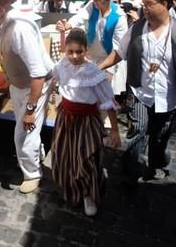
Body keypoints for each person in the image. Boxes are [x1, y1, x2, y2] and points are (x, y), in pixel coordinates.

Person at [99, 0, 176, 183]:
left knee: (160, 135)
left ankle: (159, 162)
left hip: (170, 95)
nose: (144, 8)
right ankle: (131, 169)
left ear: (165, 4)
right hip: (140, 92)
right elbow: (119, 53)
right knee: (138, 130)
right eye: (144, 4)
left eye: (149, 4)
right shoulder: (137, 29)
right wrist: (98, 68)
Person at [0, 0, 53, 194]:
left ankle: (32, 174)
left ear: (7, 1)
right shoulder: (0, 22)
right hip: (19, 84)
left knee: (23, 133)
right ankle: (36, 154)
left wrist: (30, 109)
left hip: (35, 85)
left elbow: (38, 74)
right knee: (27, 129)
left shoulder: (19, 28)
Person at [51, 28, 121, 217]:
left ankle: (89, 194)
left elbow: (108, 101)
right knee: (64, 156)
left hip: (87, 122)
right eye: (70, 52)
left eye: (79, 52)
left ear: (86, 50)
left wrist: (114, 130)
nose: (74, 56)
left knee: (86, 159)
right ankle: (72, 189)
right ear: (65, 50)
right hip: (65, 119)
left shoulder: (93, 72)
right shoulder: (62, 65)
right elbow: (54, 81)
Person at [56, 0, 128, 105]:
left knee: (105, 99)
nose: (97, 3)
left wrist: (105, 72)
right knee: (87, 97)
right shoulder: (92, 5)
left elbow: (118, 51)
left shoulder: (119, 17)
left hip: (109, 60)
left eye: (100, 0)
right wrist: (68, 24)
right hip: (93, 58)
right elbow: (80, 16)